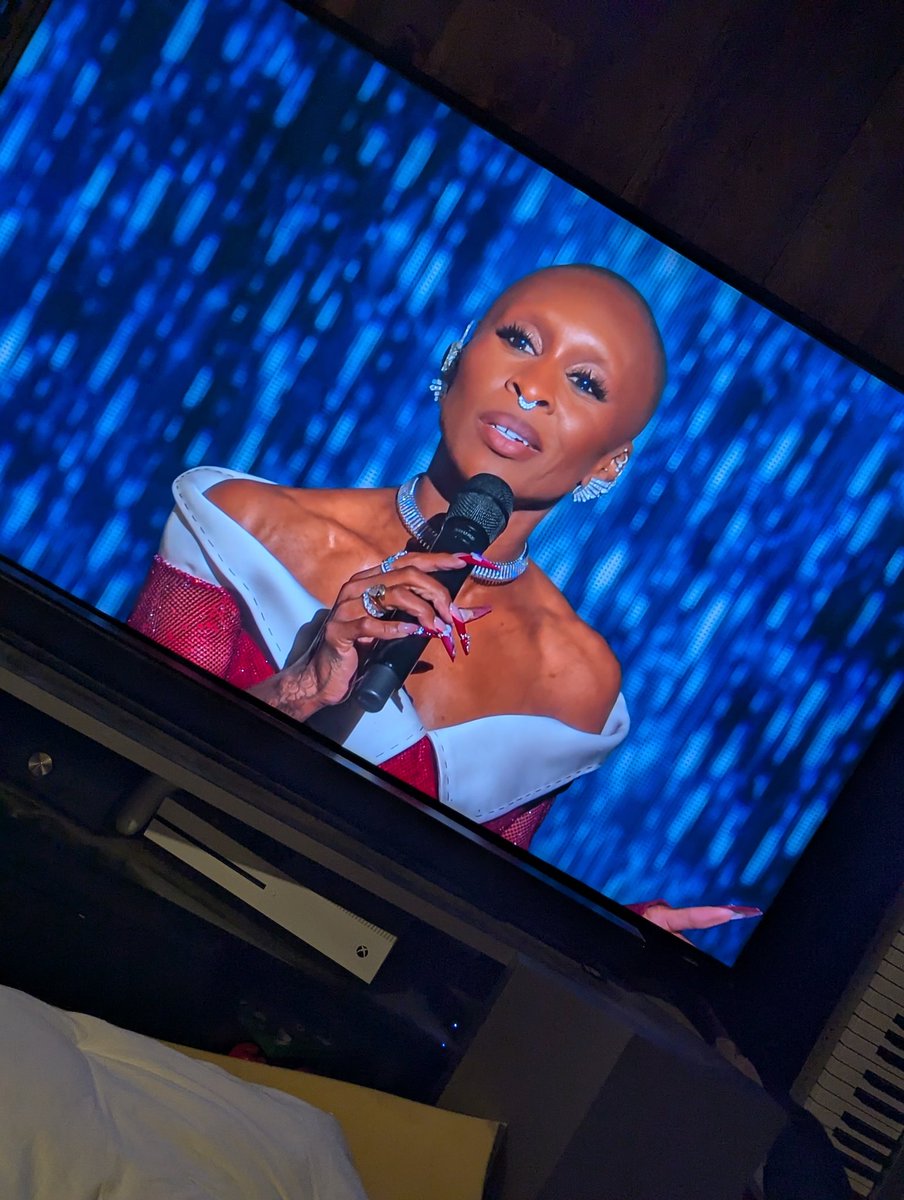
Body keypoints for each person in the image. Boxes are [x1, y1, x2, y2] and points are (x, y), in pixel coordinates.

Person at [129, 264, 758, 938]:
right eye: (519, 340)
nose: (534, 387)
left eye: (585, 383)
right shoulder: (246, 524)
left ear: (611, 462)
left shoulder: (578, 678)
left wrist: (604, 942)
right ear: (457, 357)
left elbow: (464, 922)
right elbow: (114, 753)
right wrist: (299, 688)